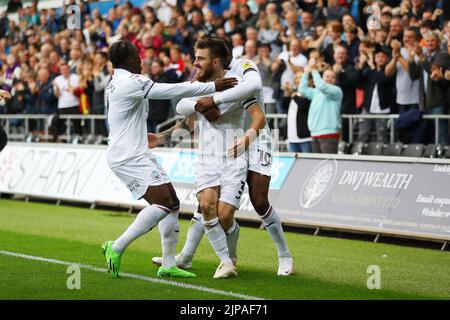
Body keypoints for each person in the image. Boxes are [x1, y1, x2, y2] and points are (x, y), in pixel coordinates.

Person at [152, 38, 295, 276]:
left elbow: (253, 88)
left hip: (255, 137)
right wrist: (162, 138)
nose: (196, 63)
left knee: (259, 200)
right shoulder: (203, 81)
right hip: (223, 144)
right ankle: (189, 257)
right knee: (206, 204)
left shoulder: (243, 67)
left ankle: (284, 256)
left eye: (202, 58)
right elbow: (187, 119)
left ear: (219, 58)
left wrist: (214, 98)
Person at [101, 39, 237, 279]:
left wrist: (156, 138)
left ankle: (168, 262)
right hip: (129, 155)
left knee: (172, 204)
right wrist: (212, 87)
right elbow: (170, 91)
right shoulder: (131, 81)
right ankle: (117, 246)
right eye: (138, 56)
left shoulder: (115, 82)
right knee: (164, 203)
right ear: (130, 60)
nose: (142, 60)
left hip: (133, 150)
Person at [299, 58, 343, 154]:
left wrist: (314, 70)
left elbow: (322, 86)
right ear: (322, 78)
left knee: (329, 164)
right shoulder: (316, 92)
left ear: (335, 80)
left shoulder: (336, 91)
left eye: (332, 77)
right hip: (315, 132)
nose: (329, 79)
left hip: (329, 133)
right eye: (327, 76)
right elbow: (302, 89)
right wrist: (307, 72)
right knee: (317, 166)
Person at [357, 45, 396, 144]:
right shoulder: (369, 71)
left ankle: (382, 157)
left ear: (387, 59)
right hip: (367, 107)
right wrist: (361, 65)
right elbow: (358, 81)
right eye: (378, 56)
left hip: (383, 109)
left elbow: (382, 79)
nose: (380, 59)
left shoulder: (390, 71)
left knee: (381, 136)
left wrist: (373, 67)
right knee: (362, 134)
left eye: (383, 57)